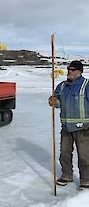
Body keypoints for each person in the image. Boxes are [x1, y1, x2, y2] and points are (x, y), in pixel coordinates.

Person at [49, 60, 89, 190]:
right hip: (66, 127)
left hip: (83, 128)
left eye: (72, 70)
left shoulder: (86, 85)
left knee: (84, 155)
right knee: (65, 153)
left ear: (79, 71)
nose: (69, 72)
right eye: (68, 69)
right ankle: (67, 175)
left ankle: (86, 179)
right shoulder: (61, 86)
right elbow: (59, 103)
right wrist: (54, 101)